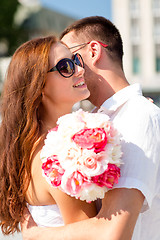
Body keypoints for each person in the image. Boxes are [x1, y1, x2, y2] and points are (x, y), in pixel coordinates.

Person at [21, 16, 160, 240]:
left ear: (94, 51)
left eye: (72, 58)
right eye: (65, 65)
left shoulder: (138, 115)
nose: (75, 70)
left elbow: (113, 232)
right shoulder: (90, 123)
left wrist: (35, 234)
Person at [0, 35, 97, 235]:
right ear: (39, 85)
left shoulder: (33, 146)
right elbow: (91, 235)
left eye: (76, 60)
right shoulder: (59, 154)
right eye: (65, 67)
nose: (80, 70)